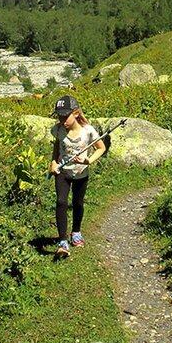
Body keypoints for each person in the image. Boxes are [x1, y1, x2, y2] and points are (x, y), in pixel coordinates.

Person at [48, 94, 105, 257]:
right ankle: (62, 241)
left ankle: (76, 232)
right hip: (63, 172)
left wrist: (88, 161)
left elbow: (101, 148)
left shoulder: (88, 131)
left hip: (81, 173)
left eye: (65, 116)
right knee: (61, 202)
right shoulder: (58, 130)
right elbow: (57, 148)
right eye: (59, 116)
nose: (62, 120)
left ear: (76, 113)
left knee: (78, 203)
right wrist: (53, 163)